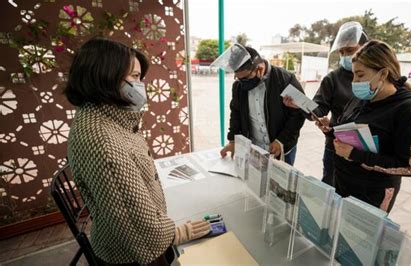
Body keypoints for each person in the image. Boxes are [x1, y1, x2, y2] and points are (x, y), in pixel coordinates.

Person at [66, 37, 210, 266]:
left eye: (140, 77)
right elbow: (136, 219)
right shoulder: (103, 143)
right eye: (134, 76)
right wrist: (178, 233)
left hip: (128, 239)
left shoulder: (105, 117)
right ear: (104, 76)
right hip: (129, 255)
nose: (140, 84)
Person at [319, 40, 411, 213]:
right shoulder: (361, 98)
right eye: (354, 75)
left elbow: (409, 166)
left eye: (360, 75)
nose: (354, 81)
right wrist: (331, 130)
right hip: (342, 183)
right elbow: (348, 131)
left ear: (383, 73)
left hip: (372, 194)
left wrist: (354, 154)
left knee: (360, 237)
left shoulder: (410, 111)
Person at [283, 21, 368, 185]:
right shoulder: (333, 78)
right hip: (335, 144)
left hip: (366, 149)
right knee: (331, 187)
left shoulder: (376, 77)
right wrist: (300, 104)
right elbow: (319, 110)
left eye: (350, 51)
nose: (346, 57)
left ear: (365, 47)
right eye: (342, 52)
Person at [214, 44, 306, 165]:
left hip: (281, 149)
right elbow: (235, 112)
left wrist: (281, 141)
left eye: (245, 78)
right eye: (238, 78)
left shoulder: (285, 79)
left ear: (260, 69)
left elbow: (299, 113)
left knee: (279, 182)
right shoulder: (238, 87)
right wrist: (233, 140)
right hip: (254, 149)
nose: (242, 82)